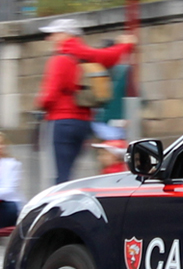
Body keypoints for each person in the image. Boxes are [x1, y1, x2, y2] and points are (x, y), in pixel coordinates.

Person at [35, 18, 136, 184]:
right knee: (72, 171)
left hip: (60, 122)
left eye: (53, 34)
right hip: (83, 124)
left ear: (65, 34)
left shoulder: (59, 59)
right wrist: (126, 45)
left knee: (60, 174)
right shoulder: (88, 55)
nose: (49, 38)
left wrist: (40, 104)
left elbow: (49, 95)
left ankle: (59, 208)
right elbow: (111, 56)